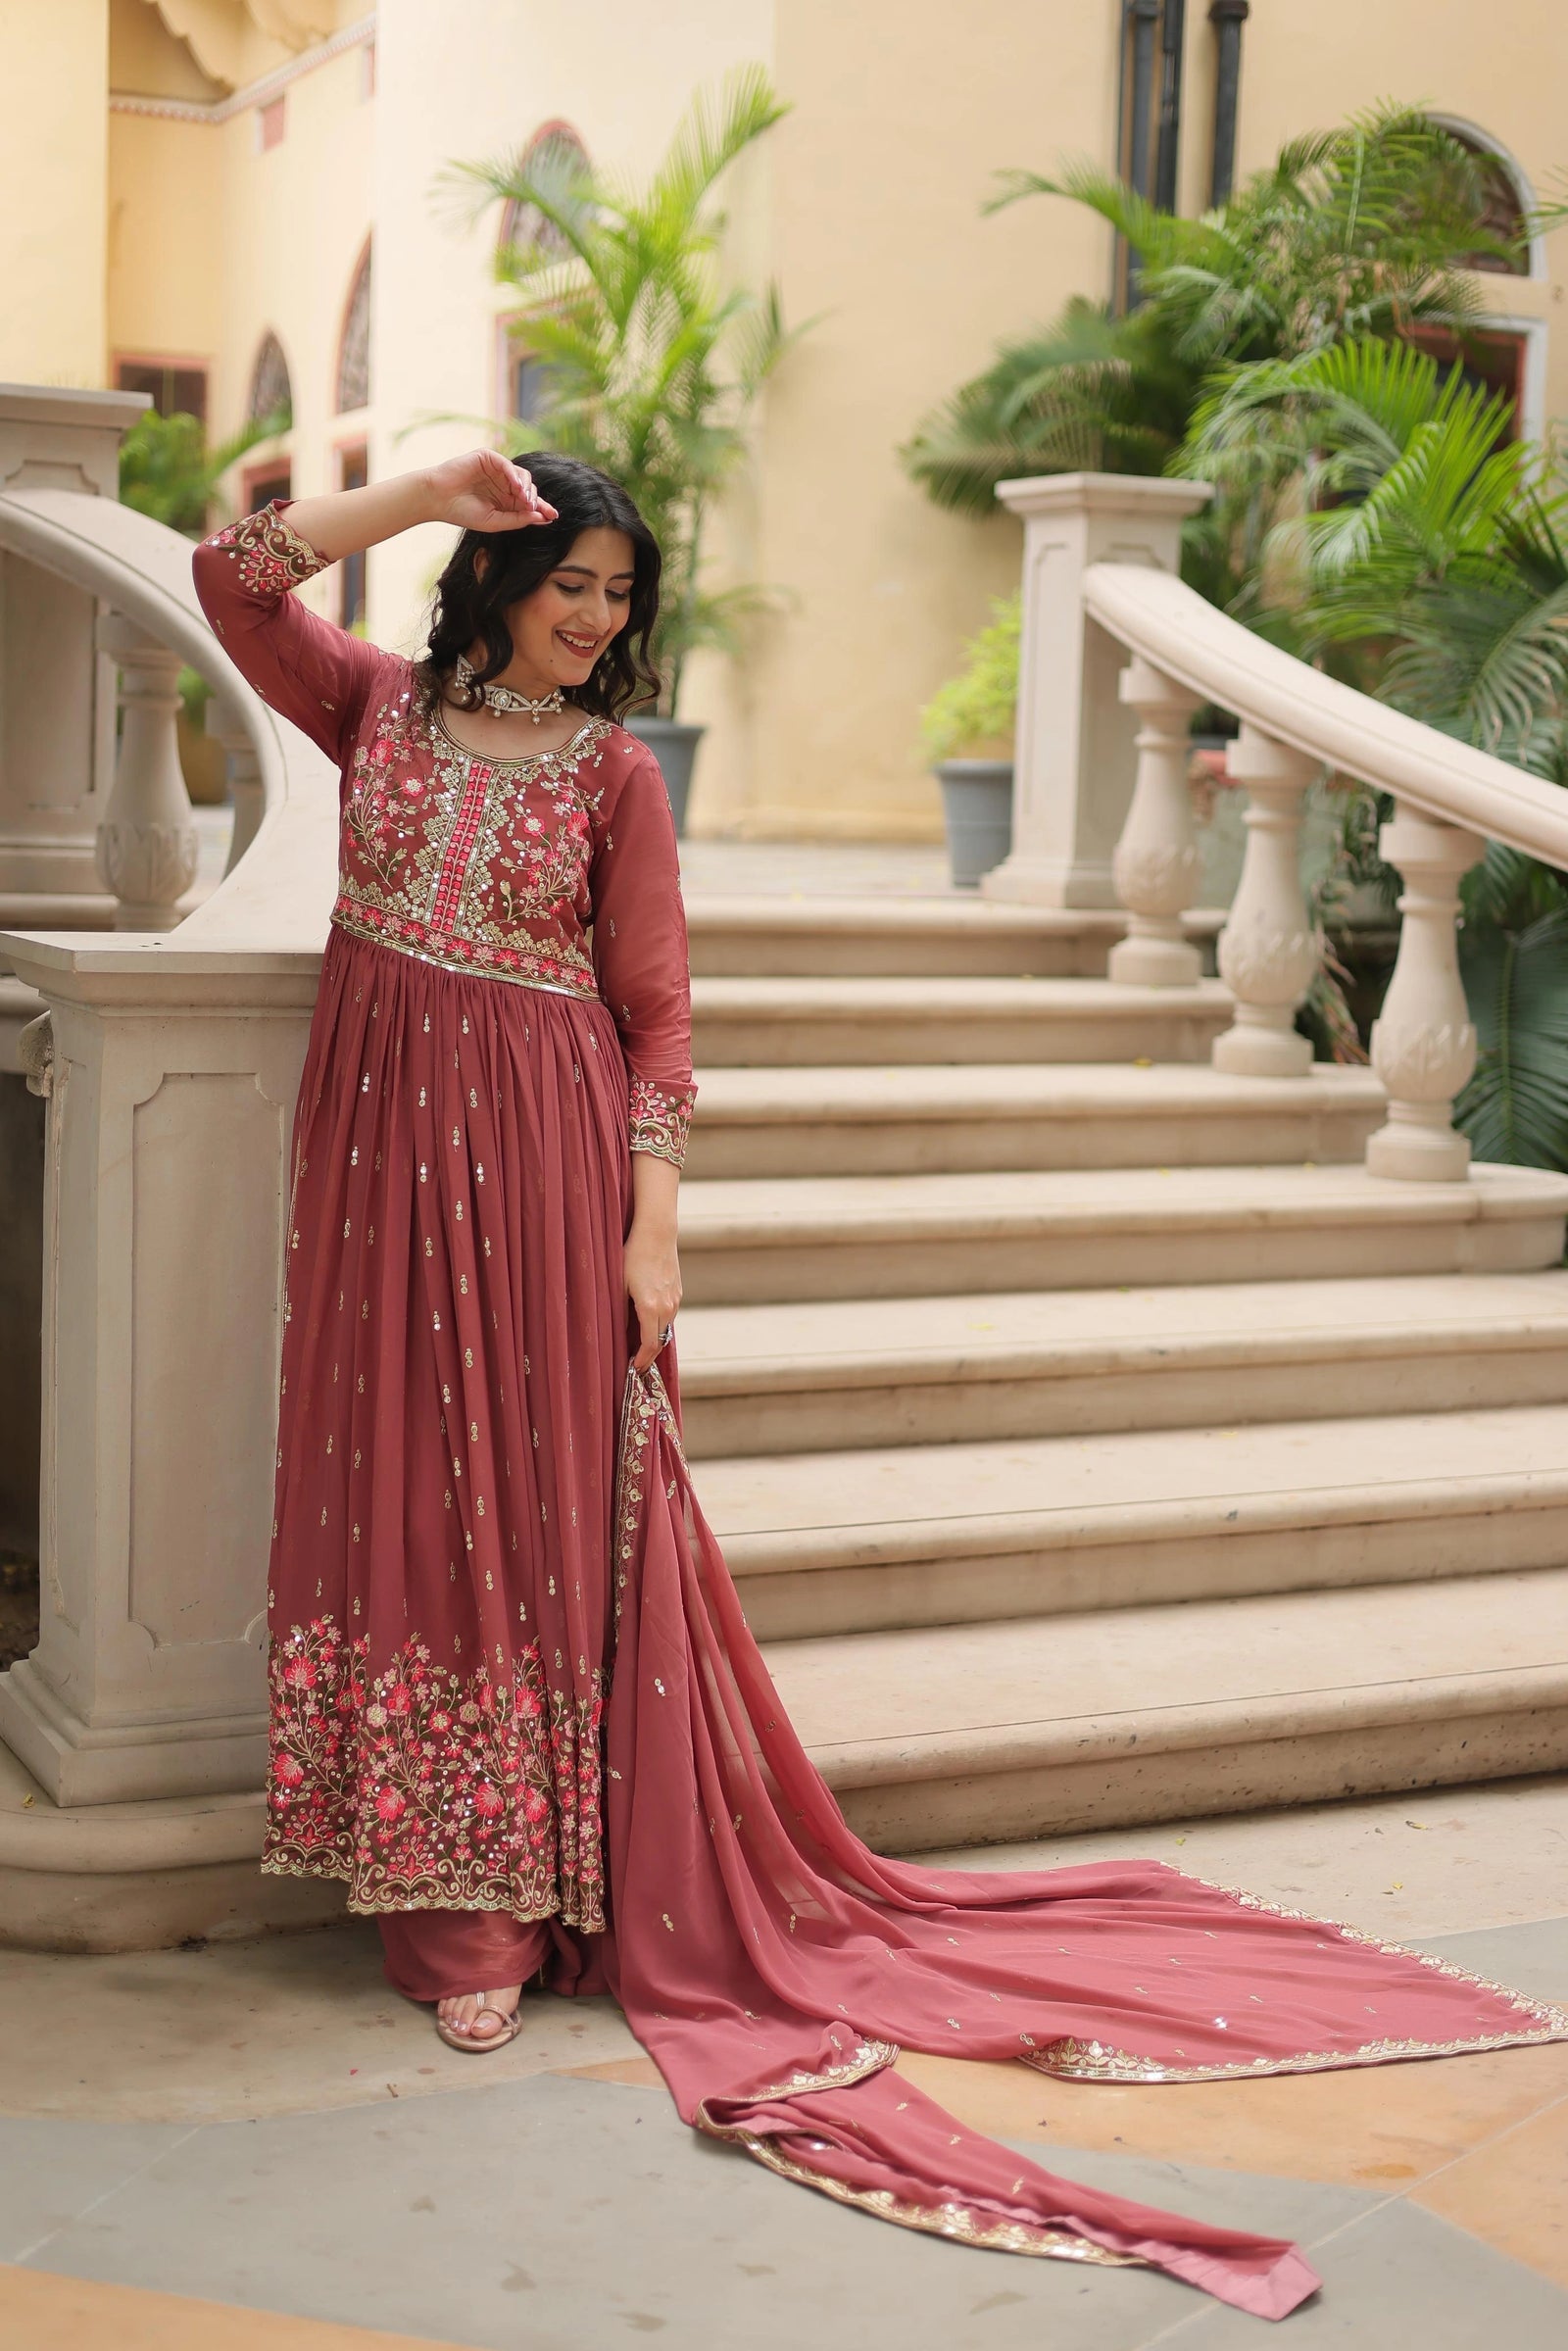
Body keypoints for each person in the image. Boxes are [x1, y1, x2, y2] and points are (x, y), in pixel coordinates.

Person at [194, 455, 1568, 2323]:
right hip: (374, 1164)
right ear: (497, 574)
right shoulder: (373, 708)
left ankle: (508, 1917)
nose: (599, 621)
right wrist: (423, 481)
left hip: (547, 1165)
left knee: (526, 1523)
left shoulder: (615, 779)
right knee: (400, 1511)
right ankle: (432, 1884)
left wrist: (654, 1231)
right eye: (571, 583)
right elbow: (235, 576)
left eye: (621, 593)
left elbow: (659, 1015)